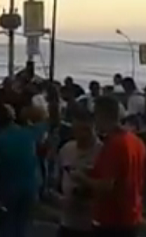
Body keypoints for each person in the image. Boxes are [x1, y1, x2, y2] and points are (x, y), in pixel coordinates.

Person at [74, 96, 145, 237]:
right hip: (132, 215)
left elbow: (106, 186)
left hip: (112, 219)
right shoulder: (137, 142)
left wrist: (81, 178)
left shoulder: (114, 144)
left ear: (102, 115)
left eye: (96, 116)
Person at [0, 96, 40, 237]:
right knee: (21, 225)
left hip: (8, 188)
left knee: (5, 225)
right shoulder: (28, 134)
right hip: (29, 185)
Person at [53, 108, 101, 237]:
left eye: (86, 130)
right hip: (68, 221)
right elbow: (57, 181)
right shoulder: (67, 149)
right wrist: (59, 198)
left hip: (92, 223)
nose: (82, 135)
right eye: (77, 130)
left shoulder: (103, 152)